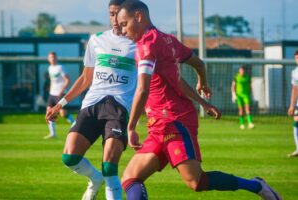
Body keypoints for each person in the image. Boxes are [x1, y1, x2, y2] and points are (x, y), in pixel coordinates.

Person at [117, 1, 282, 200]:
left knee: (196, 182)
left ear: (139, 16)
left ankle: (257, 186)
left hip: (174, 122)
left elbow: (142, 89)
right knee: (130, 178)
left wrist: (131, 126)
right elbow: (193, 68)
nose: (122, 30)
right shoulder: (167, 40)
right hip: (159, 125)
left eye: (124, 24)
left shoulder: (146, 45)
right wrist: (203, 94)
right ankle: (257, 185)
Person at [45, 0, 136, 199]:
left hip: (119, 109)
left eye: (118, 14)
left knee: (110, 166)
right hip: (92, 105)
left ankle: (104, 179)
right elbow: (86, 78)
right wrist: (61, 103)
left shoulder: (139, 44)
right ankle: (95, 179)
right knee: (69, 156)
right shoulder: (97, 40)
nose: (114, 19)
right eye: (111, 14)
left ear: (128, 15)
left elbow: (148, 84)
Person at [44, 51, 75, 139]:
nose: (52, 58)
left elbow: (67, 80)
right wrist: (50, 90)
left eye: (54, 57)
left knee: (62, 113)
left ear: (56, 58)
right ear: (48, 59)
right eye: (50, 57)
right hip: (52, 94)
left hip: (60, 94)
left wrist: (61, 91)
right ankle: (53, 133)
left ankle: (75, 123)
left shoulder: (60, 67)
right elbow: (52, 81)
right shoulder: (50, 68)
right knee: (49, 112)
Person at [287, 50, 298, 157]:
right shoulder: (295, 72)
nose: (297, 60)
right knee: (296, 123)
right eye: (296, 58)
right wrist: (292, 105)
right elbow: (295, 89)